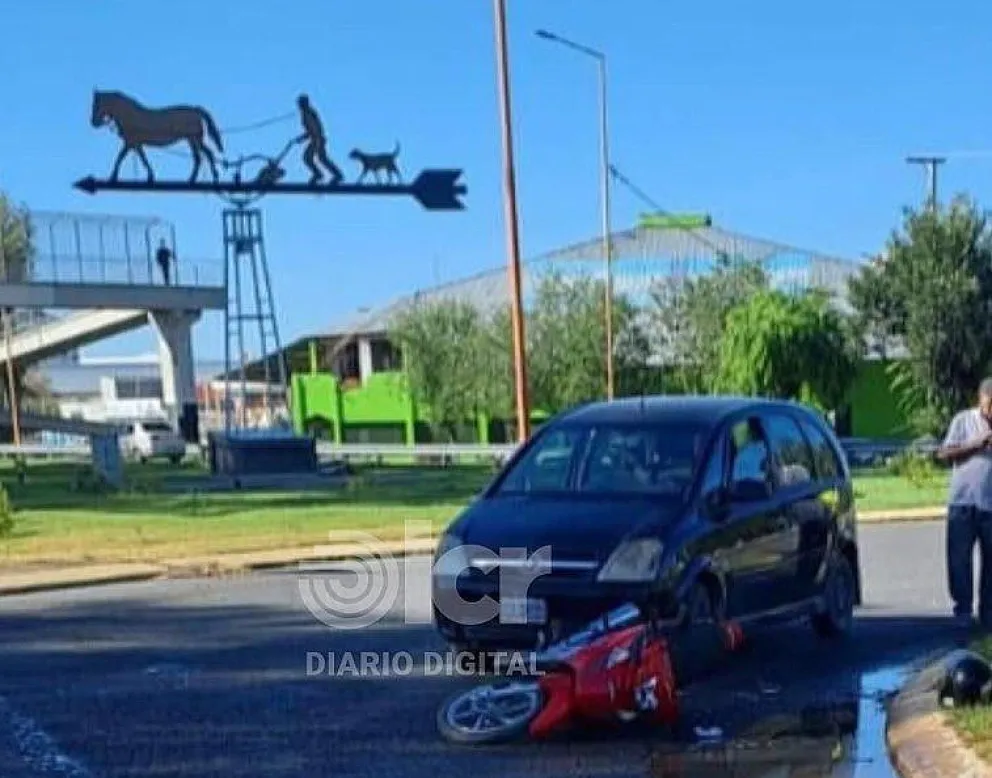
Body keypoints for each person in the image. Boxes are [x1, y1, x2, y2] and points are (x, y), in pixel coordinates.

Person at [937, 377, 992, 628]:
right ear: (980, 399)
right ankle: (963, 610)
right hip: (962, 503)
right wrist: (976, 444)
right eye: (989, 405)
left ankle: (988, 613)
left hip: (989, 505)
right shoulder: (963, 420)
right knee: (959, 560)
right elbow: (945, 454)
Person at [295, 94, 343, 186]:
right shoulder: (307, 113)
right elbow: (310, 130)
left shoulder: (308, 113)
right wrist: (302, 138)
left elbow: (314, 129)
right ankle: (330, 175)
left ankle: (323, 175)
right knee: (319, 158)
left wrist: (311, 139)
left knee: (311, 158)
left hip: (317, 139)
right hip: (316, 139)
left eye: (300, 104)